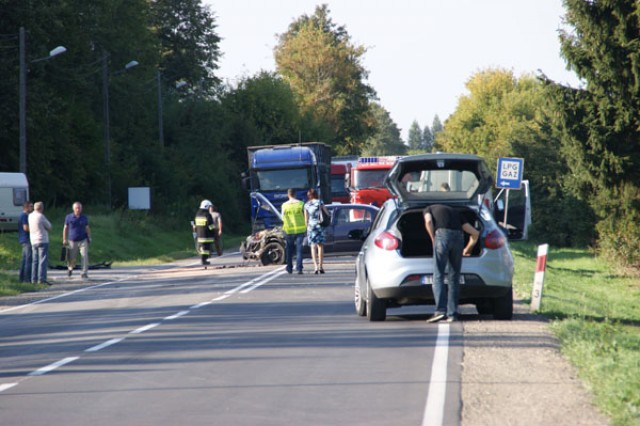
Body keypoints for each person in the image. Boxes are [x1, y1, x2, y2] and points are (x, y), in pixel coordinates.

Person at [423, 204, 479, 323]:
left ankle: (440, 311)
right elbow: (475, 233)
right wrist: (468, 248)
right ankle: (452, 314)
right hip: (459, 237)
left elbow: (428, 222)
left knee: (438, 275)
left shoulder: (428, 209)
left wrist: (433, 238)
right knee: (454, 277)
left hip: (442, 236)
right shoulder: (456, 212)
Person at [63, 201, 91, 278]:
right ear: (73, 209)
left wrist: (89, 237)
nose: (78, 209)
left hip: (83, 239)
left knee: (84, 256)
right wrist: (64, 239)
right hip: (72, 240)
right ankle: (70, 268)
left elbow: (87, 227)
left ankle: (84, 272)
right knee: (72, 257)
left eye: (79, 208)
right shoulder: (69, 217)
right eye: (76, 208)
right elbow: (65, 228)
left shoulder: (84, 217)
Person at [281, 188, 306, 274]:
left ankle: (289, 268)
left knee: (289, 250)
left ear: (288, 195)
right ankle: (299, 268)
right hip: (300, 230)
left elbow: (282, 217)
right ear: (295, 194)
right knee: (299, 250)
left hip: (288, 230)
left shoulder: (284, 205)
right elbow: (305, 216)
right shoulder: (301, 204)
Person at [28, 201, 52, 285]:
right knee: (42, 260)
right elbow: (49, 226)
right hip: (42, 240)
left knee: (35, 260)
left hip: (33, 240)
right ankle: (41, 279)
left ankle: (33, 279)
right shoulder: (41, 216)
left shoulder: (30, 216)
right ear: (41, 208)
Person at [304, 188, 326, 274]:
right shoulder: (319, 202)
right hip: (319, 226)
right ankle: (321, 266)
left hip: (311, 227)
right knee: (320, 246)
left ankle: (315, 267)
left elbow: (306, 219)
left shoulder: (306, 205)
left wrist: (307, 228)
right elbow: (326, 213)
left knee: (313, 247)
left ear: (309, 196)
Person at [194, 199, 216, 265]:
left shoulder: (197, 214)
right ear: (206, 206)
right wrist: (214, 231)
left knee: (203, 248)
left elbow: (195, 225)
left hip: (199, 235)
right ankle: (204, 260)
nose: (210, 208)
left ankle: (203, 259)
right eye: (209, 207)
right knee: (206, 249)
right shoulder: (207, 214)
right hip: (206, 235)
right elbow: (211, 226)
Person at [18, 201, 33, 282]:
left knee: (24, 259)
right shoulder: (24, 215)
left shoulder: (22, 215)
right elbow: (25, 228)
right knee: (28, 259)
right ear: (26, 207)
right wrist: (34, 230)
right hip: (27, 239)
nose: (32, 208)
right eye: (31, 206)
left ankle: (21, 278)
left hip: (23, 239)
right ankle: (27, 279)